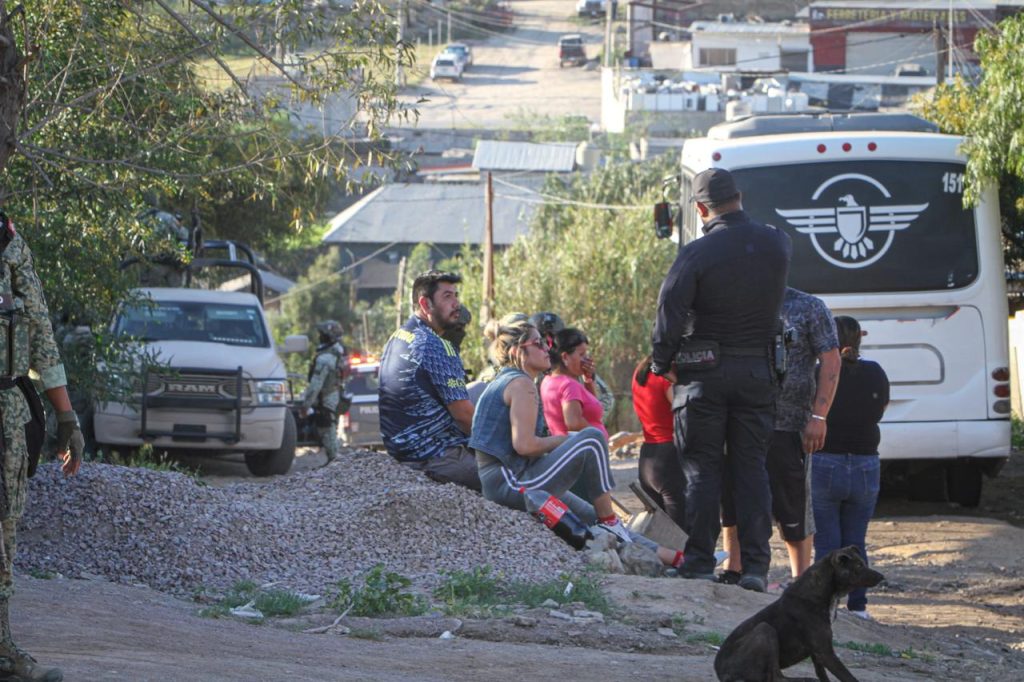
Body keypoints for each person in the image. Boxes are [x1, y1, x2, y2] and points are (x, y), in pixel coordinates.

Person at [650, 167, 791, 592]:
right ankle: (755, 569)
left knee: (702, 471)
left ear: (699, 208)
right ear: (740, 197)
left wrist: (661, 362)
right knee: (752, 470)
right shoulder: (778, 243)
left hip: (702, 377)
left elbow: (669, 312)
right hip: (758, 373)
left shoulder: (695, 254)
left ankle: (697, 562)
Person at [469, 319, 690, 570]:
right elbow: (524, 445)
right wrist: (563, 440)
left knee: (592, 512)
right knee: (591, 437)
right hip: (511, 482)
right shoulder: (521, 384)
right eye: (539, 343)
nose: (546, 349)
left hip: (514, 478)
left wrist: (565, 441)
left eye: (547, 343)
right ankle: (609, 522)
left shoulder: (511, 381)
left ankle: (677, 559)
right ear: (517, 352)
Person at [0, 212, 85, 682]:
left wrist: (66, 415)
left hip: (8, 406)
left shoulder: (9, 240)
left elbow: (39, 332)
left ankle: (2, 644)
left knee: (4, 527)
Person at [719, 288, 840, 583]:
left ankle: (801, 579)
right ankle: (734, 569)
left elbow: (831, 360)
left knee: (793, 503)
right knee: (734, 498)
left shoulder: (808, 307)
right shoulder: (734, 302)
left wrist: (819, 415)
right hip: (740, 421)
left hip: (790, 424)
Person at [811, 315, 889, 620]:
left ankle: (826, 606)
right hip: (866, 462)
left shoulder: (821, 372)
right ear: (859, 339)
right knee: (856, 540)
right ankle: (858, 607)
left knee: (827, 542)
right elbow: (880, 408)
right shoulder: (875, 372)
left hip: (825, 460)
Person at [378, 270, 481, 491]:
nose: (457, 304)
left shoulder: (397, 337)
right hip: (436, 458)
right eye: (447, 297)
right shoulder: (436, 345)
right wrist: (504, 446)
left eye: (456, 295)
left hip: (400, 453)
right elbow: (464, 416)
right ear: (425, 304)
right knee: (510, 477)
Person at [631, 355, 687, 533]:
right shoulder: (666, 377)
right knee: (681, 532)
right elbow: (685, 411)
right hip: (668, 458)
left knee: (664, 532)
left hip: (648, 457)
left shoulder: (640, 372)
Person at [530, 312, 615, 421]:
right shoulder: (531, 373)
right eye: (541, 340)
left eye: (553, 339)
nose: (548, 345)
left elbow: (606, 399)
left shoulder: (576, 368)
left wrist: (589, 420)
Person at [540, 328, 608, 439]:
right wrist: (599, 436)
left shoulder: (548, 380)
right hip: (585, 452)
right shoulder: (569, 384)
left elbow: (591, 407)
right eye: (581, 354)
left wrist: (588, 379)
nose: (586, 358)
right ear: (565, 357)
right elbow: (574, 423)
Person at [301, 320, 350, 465]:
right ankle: (334, 460)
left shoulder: (325, 358)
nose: (319, 337)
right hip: (334, 394)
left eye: (322, 334)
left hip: (327, 397)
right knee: (330, 426)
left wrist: (305, 405)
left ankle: (334, 461)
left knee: (326, 427)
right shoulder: (336, 353)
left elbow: (316, 384)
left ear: (328, 337)